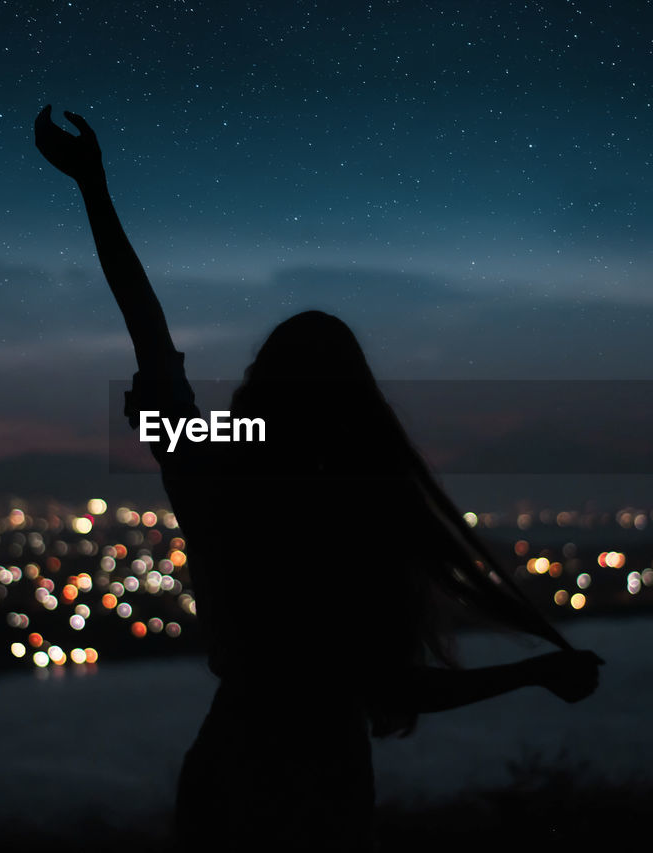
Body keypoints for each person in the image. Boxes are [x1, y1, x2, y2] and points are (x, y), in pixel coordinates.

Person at [34, 105, 603, 851]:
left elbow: (148, 328)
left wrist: (93, 190)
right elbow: (392, 690)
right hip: (326, 789)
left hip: (230, 772)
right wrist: (533, 673)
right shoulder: (355, 518)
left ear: (260, 388)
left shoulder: (214, 472)